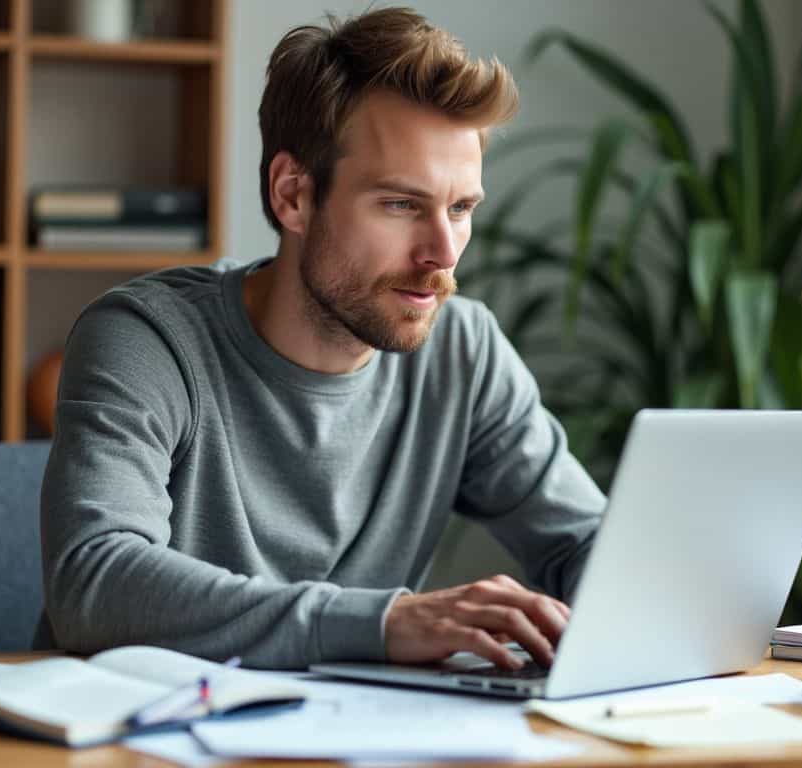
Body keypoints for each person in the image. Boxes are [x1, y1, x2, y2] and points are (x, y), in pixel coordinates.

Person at [39, 6, 605, 671]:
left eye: (461, 209)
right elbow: (96, 582)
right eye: (401, 205)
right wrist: (382, 622)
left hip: (359, 734)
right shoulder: (146, 340)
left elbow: (588, 544)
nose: (444, 252)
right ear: (293, 196)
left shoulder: (463, 351)